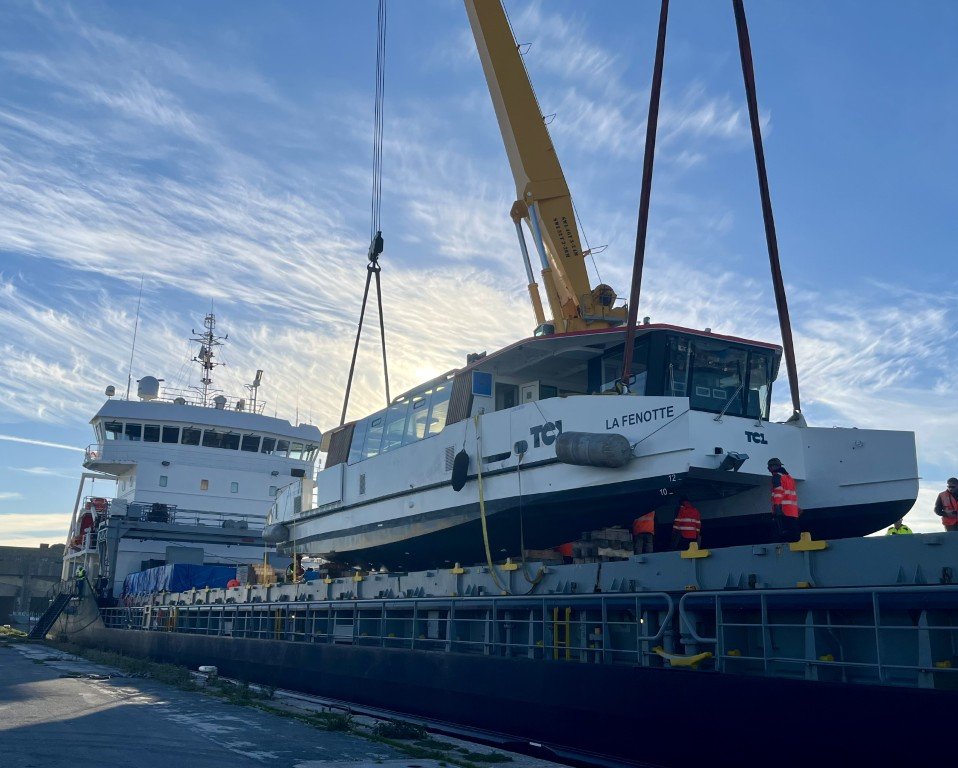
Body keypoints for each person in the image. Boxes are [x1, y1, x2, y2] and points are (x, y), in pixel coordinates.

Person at [768, 458, 801, 542]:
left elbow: (778, 492)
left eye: (769, 467)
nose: (768, 469)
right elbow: (791, 494)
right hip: (792, 511)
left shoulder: (777, 477)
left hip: (783, 510)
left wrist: (777, 507)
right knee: (794, 534)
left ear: (773, 467)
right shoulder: (789, 478)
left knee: (782, 534)